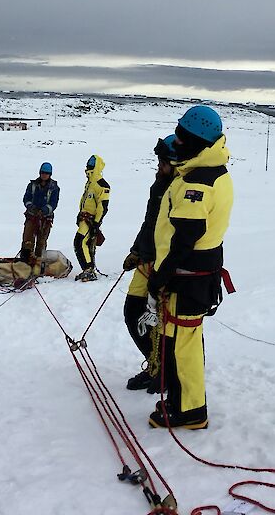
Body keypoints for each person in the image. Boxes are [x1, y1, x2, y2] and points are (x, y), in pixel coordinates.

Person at [148, 105, 233, 431]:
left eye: (183, 139)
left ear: (197, 142)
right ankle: (179, 401)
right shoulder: (210, 171)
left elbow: (186, 237)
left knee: (183, 346)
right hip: (195, 275)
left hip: (187, 277)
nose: (177, 144)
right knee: (177, 339)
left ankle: (190, 411)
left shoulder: (199, 182)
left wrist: (161, 276)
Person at [122, 136, 177, 392]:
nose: (158, 166)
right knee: (133, 311)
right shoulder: (159, 186)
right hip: (146, 259)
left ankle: (164, 372)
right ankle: (155, 364)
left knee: (161, 322)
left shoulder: (179, 188)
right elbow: (149, 223)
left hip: (164, 265)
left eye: (162, 162)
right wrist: (136, 250)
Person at [72, 155, 111, 281]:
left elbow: (102, 206)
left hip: (91, 220)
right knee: (83, 243)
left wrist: (96, 223)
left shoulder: (101, 184)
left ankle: (89, 269)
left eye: (90, 165)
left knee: (80, 241)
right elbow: (85, 201)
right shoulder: (90, 183)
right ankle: (88, 269)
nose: (88, 168)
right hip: (85, 218)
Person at [19, 162, 61, 261]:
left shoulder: (54, 188)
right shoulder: (32, 185)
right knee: (27, 239)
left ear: (50, 174)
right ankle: (25, 261)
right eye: (42, 172)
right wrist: (31, 207)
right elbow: (26, 198)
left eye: (46, 173)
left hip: (45, 219)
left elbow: (53, 203)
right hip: (32, 217)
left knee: (41, 242)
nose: (44, 175)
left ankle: (39, 262)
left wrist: (44, 210)